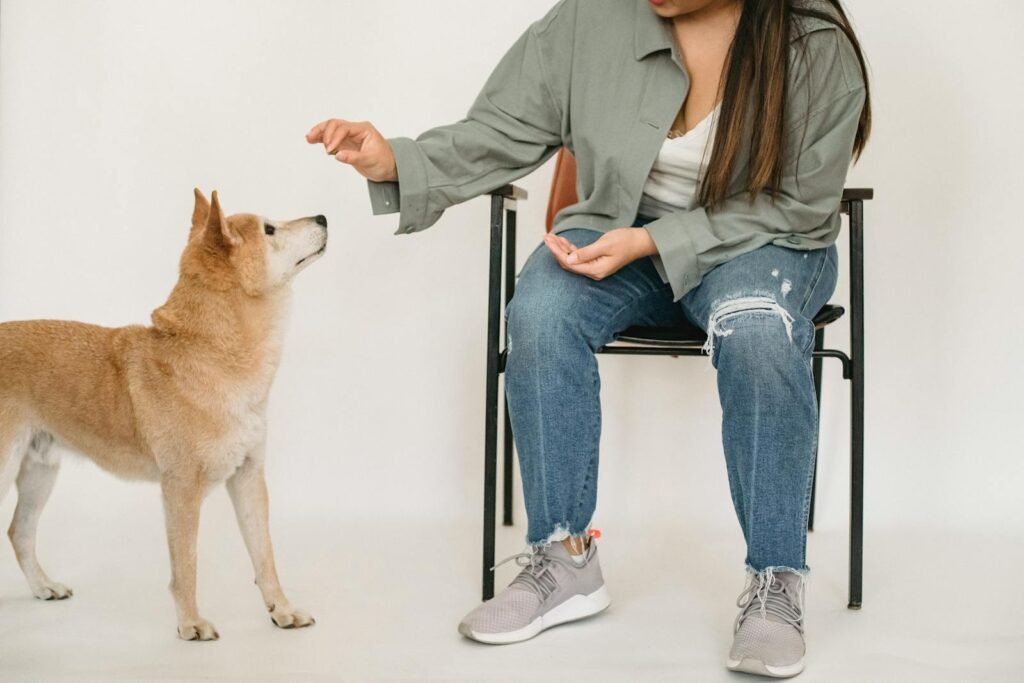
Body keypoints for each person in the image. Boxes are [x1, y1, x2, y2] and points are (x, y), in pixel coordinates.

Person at [306, 0, 870, 677]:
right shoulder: (592, 19)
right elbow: (502, 128)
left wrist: (657, 240)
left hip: (762, 244)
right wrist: (395, 160)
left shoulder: (813, 45)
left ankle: (776, 584)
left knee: (755, 330)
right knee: (541, 311)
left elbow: (799, 205)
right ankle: (564, 558)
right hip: (618, 230)